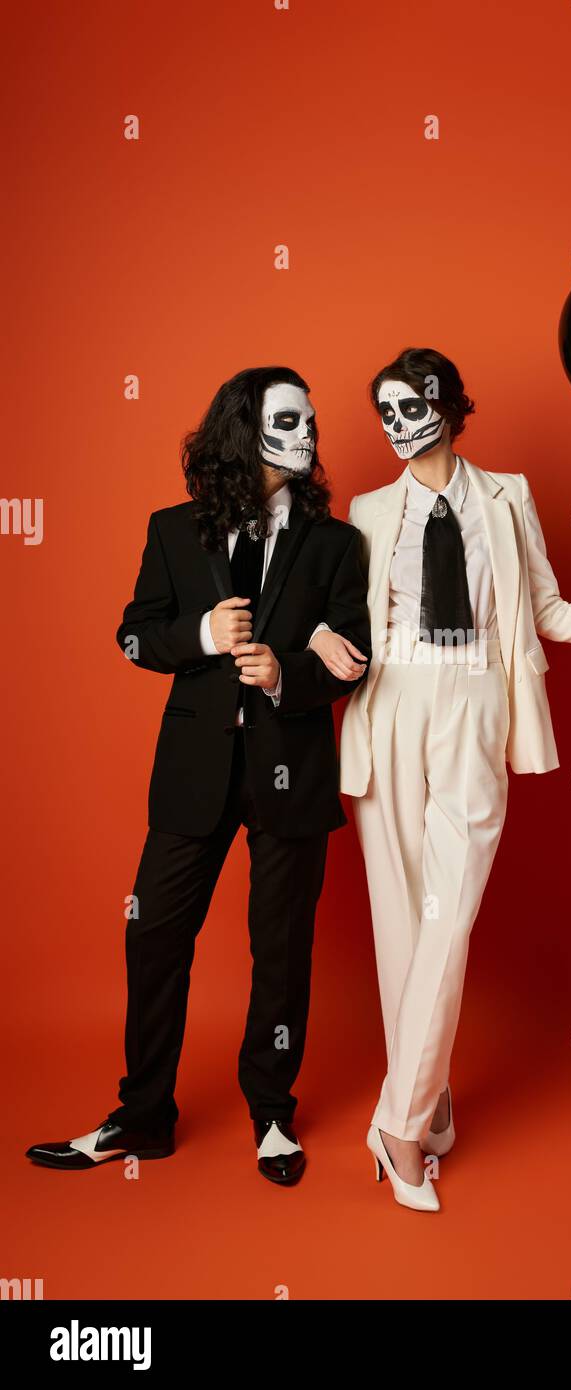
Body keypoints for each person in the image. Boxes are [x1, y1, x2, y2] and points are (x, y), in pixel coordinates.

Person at [312, 347, 571, 1211]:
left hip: (478, 703)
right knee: (403, 923)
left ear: (449, 405)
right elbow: (326, 615)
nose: (397, 425)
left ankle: (399, 1125)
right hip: (391, 703)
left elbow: (546, 610)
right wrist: (305, 646)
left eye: (411, 405)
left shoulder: (508, 497)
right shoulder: (368, 511)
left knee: (449, 918)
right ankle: (429, 1093)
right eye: (385, 412)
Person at [25, 366, 370, 1185]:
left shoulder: (336, 544)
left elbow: (355, 658)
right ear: (246, 429)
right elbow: (135, 636)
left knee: (280, 952)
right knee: (153, 938)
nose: (311, 431)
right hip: (194, 770)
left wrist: (286, 674)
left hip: (292, 771)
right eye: (293, 417)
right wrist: (207, 636)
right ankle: (141, 1118)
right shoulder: (173, 530)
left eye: (313, 418)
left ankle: (273, 1117)